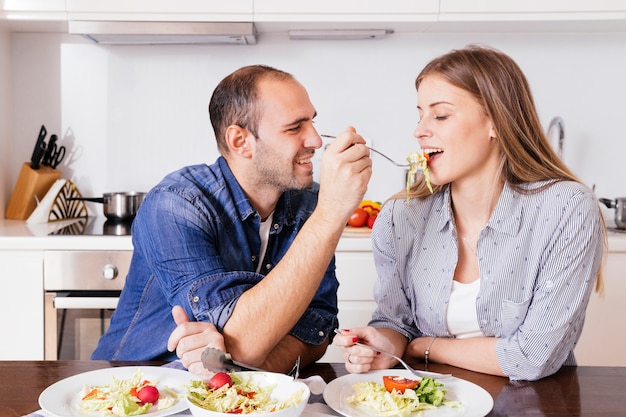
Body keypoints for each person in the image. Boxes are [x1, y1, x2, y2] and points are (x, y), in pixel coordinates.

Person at [333, 45, 606, 381]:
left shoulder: (567, 208)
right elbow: (395, 323)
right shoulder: (399, 217)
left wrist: (425, 346)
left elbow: (533, 358)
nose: (419, 130)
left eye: (441, 115)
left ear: (495, 122)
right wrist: (384, 344)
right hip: (431, 401)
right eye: (420, 114)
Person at [91, 65, 373, 378]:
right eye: (295, 128)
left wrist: (241, 365)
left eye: (312, 122)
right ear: (240, 141)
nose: (317, 140)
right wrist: (330, 214)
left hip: (232, 397)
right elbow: (245, 345)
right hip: (133, 389)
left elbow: (318, 328)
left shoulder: (308, 204)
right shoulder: (175, 204)